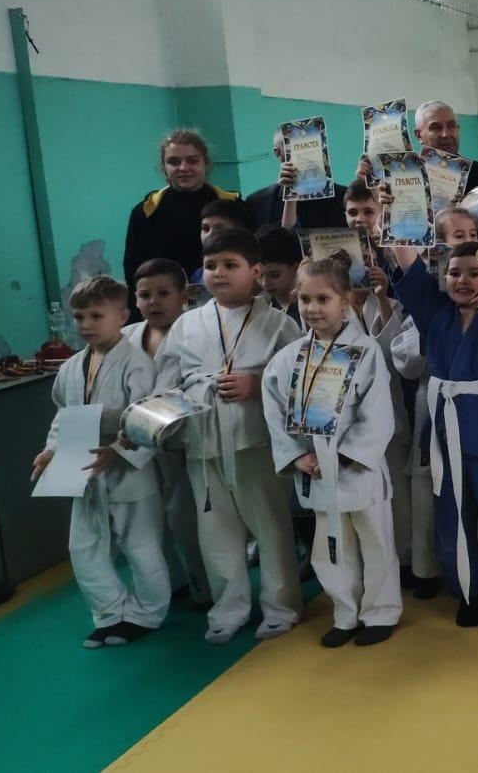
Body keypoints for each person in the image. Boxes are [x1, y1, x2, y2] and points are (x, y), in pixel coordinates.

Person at [154, 228, 304, 642]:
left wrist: (256, 385)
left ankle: (281, 606)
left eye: (230, 265)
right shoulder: (186, 325)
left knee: (271, 526)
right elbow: (166, 381)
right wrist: (171, 413)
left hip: (256, 441)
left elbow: (298, 382)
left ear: (256, 271)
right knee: (215, 531)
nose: (218, 273)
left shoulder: (279, 324)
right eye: (210, 266)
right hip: (203, 440)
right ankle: (228, 608)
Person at [387, 237, 478, 626]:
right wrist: (397, 217)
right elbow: (409, 263)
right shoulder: (435, 311)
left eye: (474, 273)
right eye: (454, 273)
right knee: (451, 518)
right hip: (443, 428)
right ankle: (464, 592)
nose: (462, 281)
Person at [262, 254, 402, 646]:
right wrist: (297, 456)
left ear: (346, 300)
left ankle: (381, 613)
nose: (312, 308)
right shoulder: (287, 359)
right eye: (305, 299)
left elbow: (378, 415)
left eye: (323, 299)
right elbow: (275, 412)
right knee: (330, 548)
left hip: (357, 468)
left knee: (375, 542)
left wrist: (342, 456)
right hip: (315, 469)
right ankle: (345, 613)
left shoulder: (366, 351)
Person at [32, 276, 170, 648]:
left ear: (122, 316)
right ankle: (109, 613)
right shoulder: (71, 367)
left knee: (140, 546)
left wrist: (119, 451)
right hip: (81, 462)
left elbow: (149, 418)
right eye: (79, 317)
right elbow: (63, 414)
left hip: (126, 464)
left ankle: (145, 615)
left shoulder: (137, 364)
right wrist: (52, 450)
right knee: (84, 547)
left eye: (96, 316)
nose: (86, 325)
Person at [124, 259, 210, 606]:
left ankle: (205, 586)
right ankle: (170, 583)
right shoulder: (126, 338)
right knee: (149, 521)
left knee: (186, 520)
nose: (153, 302)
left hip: (181, 443)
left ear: (183, 295)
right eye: (145, 295)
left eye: (163, 293)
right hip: (135, 445)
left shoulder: (197, 334)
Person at [123, 130, 239, 319]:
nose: (183, 168)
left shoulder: (232, 205)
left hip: (227, 309)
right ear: (164, 167)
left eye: (192, 161)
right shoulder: (145, 213)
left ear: (205, 163)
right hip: (165, 313)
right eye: (174, 162)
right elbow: (134, 274)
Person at [247, 128, 346, 231]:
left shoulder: (343, 196)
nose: (305, 153)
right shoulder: (258, 203)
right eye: (295, 146)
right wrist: (290, 192)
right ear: (278, 153)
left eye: (312, 145)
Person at [255, 225, 304, 320]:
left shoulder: (307, 307)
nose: (265, 283)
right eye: (259, 274)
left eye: (274, 275)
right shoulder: (261, 305)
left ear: (295, 268)